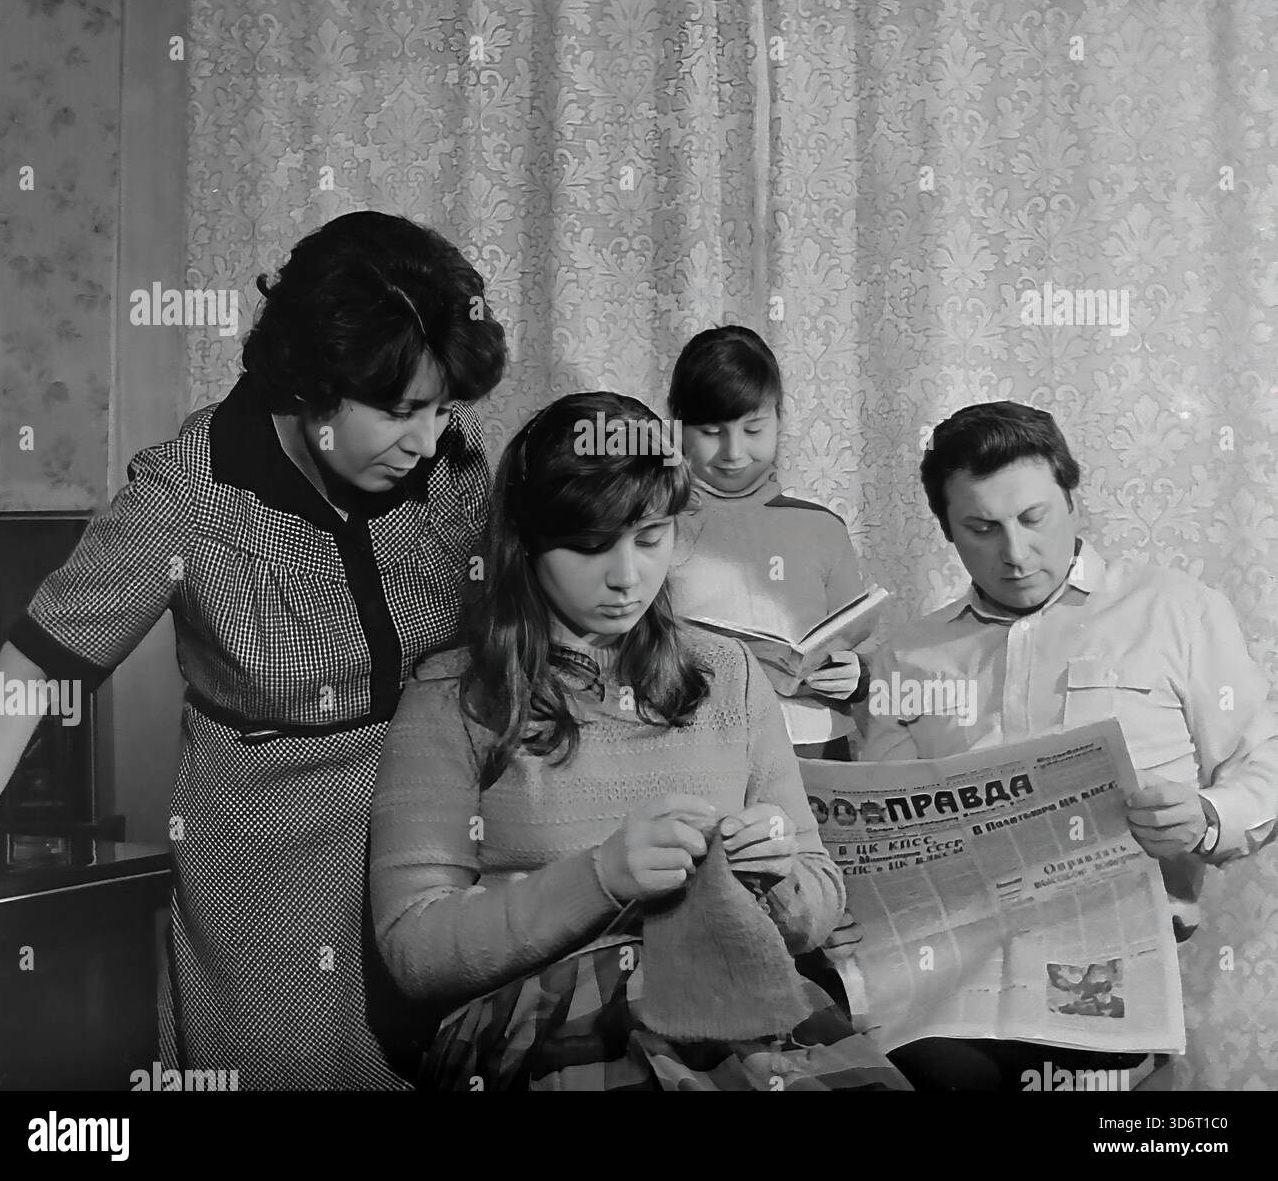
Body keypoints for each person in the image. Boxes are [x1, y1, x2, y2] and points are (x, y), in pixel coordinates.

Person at [0, 211, 507, 1089]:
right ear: (309, 380)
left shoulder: (446, 462)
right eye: (400, 410)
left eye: (440, 407)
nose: (424, 439)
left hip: (435, 855)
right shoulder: (192, 489)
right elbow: (30, 674)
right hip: (270, 894)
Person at [368, 392, 908, 1090]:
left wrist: (778, 876)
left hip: (733, 1000)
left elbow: (815, 906)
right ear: (526, 542)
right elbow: (415, 949)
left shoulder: (728, 675)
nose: (626, 577)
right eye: (591, 546)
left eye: (649, 538)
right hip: (535, 1020)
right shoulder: (455, 695)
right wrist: (599, 877)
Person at [860, 400, 1278, 1090]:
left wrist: (1206, 816)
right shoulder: (908, 656)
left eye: (1033, 519)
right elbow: (883, 839)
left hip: (1111, 977)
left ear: (1072, 501)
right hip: (953, 981)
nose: (1015, 553)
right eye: (982, 528)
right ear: (948, 532)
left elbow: (1265, 761)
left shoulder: (1176, 611)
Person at [666, 326, 873, 756]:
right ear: (677, 427)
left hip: (815, 744)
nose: (734, 452)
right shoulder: (655, 528)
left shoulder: (821, 527)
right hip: (695, 748)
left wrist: (857, 675)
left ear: (780, 418)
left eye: (754, 428)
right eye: (711, 432)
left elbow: (858, 641)